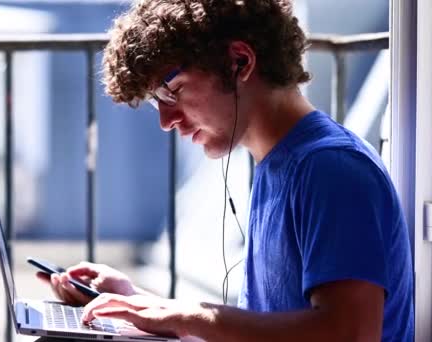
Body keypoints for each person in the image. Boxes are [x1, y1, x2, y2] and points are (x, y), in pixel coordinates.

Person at [37, 0, 414, 340]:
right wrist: (138, 303)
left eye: (173, 90)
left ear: (240, 62)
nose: (166, 121)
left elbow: (348, 334)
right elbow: (265, 330)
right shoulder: (277, 165)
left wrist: (190, 316)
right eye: (157, 102)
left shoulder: (332, 170)